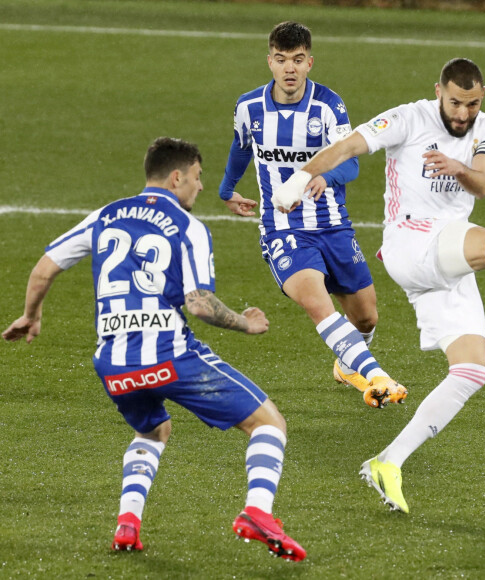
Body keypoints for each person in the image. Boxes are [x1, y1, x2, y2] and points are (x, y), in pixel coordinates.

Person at [272, 58, 485, 513]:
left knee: (471, 372)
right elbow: (348, 146)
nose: (463, 113)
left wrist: (457, 166)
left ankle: (387, 462)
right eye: (455, 102)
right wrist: (300, 178)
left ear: (482, 97)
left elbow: (483, 183)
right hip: (410, 242)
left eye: (472, 103)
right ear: (439, 91)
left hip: (448, 257)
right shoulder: (408, 117)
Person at [2, 137, 306, 560]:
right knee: (269, 424)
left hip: (113, 365)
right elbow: (199, 304)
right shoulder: (188, 226)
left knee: (153, 430)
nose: (200, 187)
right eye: (198, 178)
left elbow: (43, 268)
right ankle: (258, 512)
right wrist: (246, 323)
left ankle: (127, 524)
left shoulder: (105, 215)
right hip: (169, 356)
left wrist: (31, 315)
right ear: (177, 176)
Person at [218, 21, 407, 408]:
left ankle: (347, 363)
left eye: (298, 60)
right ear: (269, 61)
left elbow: (351, 165)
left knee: (367, 318)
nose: (290, 68)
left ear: (310, 63)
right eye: (282, 60)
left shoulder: (328, 106)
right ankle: (376, 377)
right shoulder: (248, 107)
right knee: (318, 304)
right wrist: (226, 189)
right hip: (283, 229)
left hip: (333, 225)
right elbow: (241, 148)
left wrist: (327, 176)